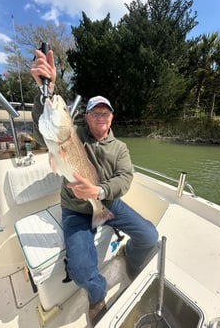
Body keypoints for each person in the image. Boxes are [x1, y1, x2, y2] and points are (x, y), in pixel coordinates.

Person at [30, 48, 159, 326]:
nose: (101, 116)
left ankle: (130, 258)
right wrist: (46, 88)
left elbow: (125, 178)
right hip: (75, 210)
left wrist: (98, 193)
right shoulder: (72, 135)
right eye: (94, 112)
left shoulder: (120, 148)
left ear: (112, 118)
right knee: (80, 271)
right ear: (85, 117)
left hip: (107, 203)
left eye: (106, 112)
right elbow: (46, 120)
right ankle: (98, 296)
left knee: (150, 236)